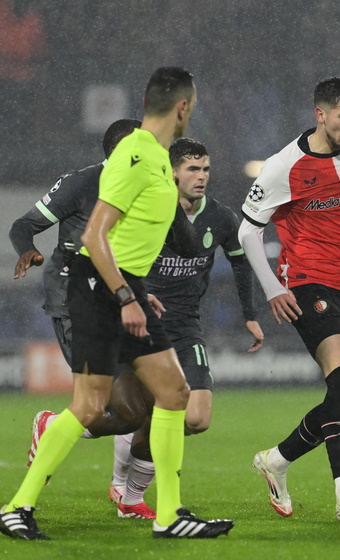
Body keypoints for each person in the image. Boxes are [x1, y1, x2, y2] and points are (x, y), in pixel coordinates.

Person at [0, 66, 233, 540]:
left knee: (172, 395)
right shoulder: (135, 154)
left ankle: (169, 517)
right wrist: (127, 296)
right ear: (183, 107)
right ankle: (16, 506)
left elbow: (159, 238)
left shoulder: (154, 157)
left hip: (122, 289)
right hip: (98, 291)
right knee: (90, 407)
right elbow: (94, 233)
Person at [239, 76, 340, 520]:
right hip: (306, 281)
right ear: (319, 115)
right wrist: (273, 288)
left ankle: (277, 461)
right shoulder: (284, 166)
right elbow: (248, 229)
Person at [106, 137, 265, 519]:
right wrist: (132, 297)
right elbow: (111, 255)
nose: (201, 177)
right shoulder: (147, 211)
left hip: (184, 327)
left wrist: (249, 313)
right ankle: (127, 494)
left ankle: (127, 483)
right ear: (173, 172)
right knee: (128, 413)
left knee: (195, 419)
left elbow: (241, 262)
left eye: (206, 169)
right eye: (193, 169)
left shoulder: (221, 217)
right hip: (137, 323)